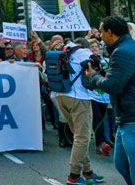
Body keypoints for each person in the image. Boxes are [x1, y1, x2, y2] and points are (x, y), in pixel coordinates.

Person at [84, 16, 135, 184]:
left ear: (110, 32)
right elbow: (121, 79)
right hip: (125, 119)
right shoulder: (125, 48)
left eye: (101, 31)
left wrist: (93, 76)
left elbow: (113, 85)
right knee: (120, 163)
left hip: (131, 119)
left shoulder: (122, 52)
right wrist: (103, 74)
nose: (100, 36)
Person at [52, 38, 104, 184]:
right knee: (83, 137)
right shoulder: (84, 53)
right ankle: (73, 176)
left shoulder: (63, 51)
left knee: (78, 136)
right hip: (78, 97)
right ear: (85, 46)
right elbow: (96, 70)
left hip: (61, 94)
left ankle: (87, 172)